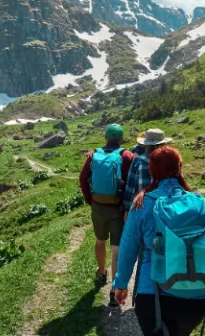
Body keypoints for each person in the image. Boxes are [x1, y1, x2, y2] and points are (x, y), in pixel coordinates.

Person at [113, 146, 205, 336]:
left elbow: (128, 251)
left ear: (152, 170)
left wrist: (120, 285)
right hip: (195, 297)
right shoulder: (201, 203)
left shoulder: (142, 204)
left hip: (152, 297)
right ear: (180, 168)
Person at [79, 124, 135, 307]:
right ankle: (114, 291)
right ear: (120, 138)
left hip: (97, 206)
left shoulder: (94, 155)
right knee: (116, 249)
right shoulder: (125, 156)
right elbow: (131, 182)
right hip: (117, 208)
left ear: (105, 137)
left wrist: (90, 199)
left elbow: (82, 178)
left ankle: (102, 272)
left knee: (99, 240)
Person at [123, 129, 172, 220]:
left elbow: (131, 186)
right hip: (166, 208)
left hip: (142, 206)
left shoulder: (139, 161)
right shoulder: (170, 161)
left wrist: (126, 208)